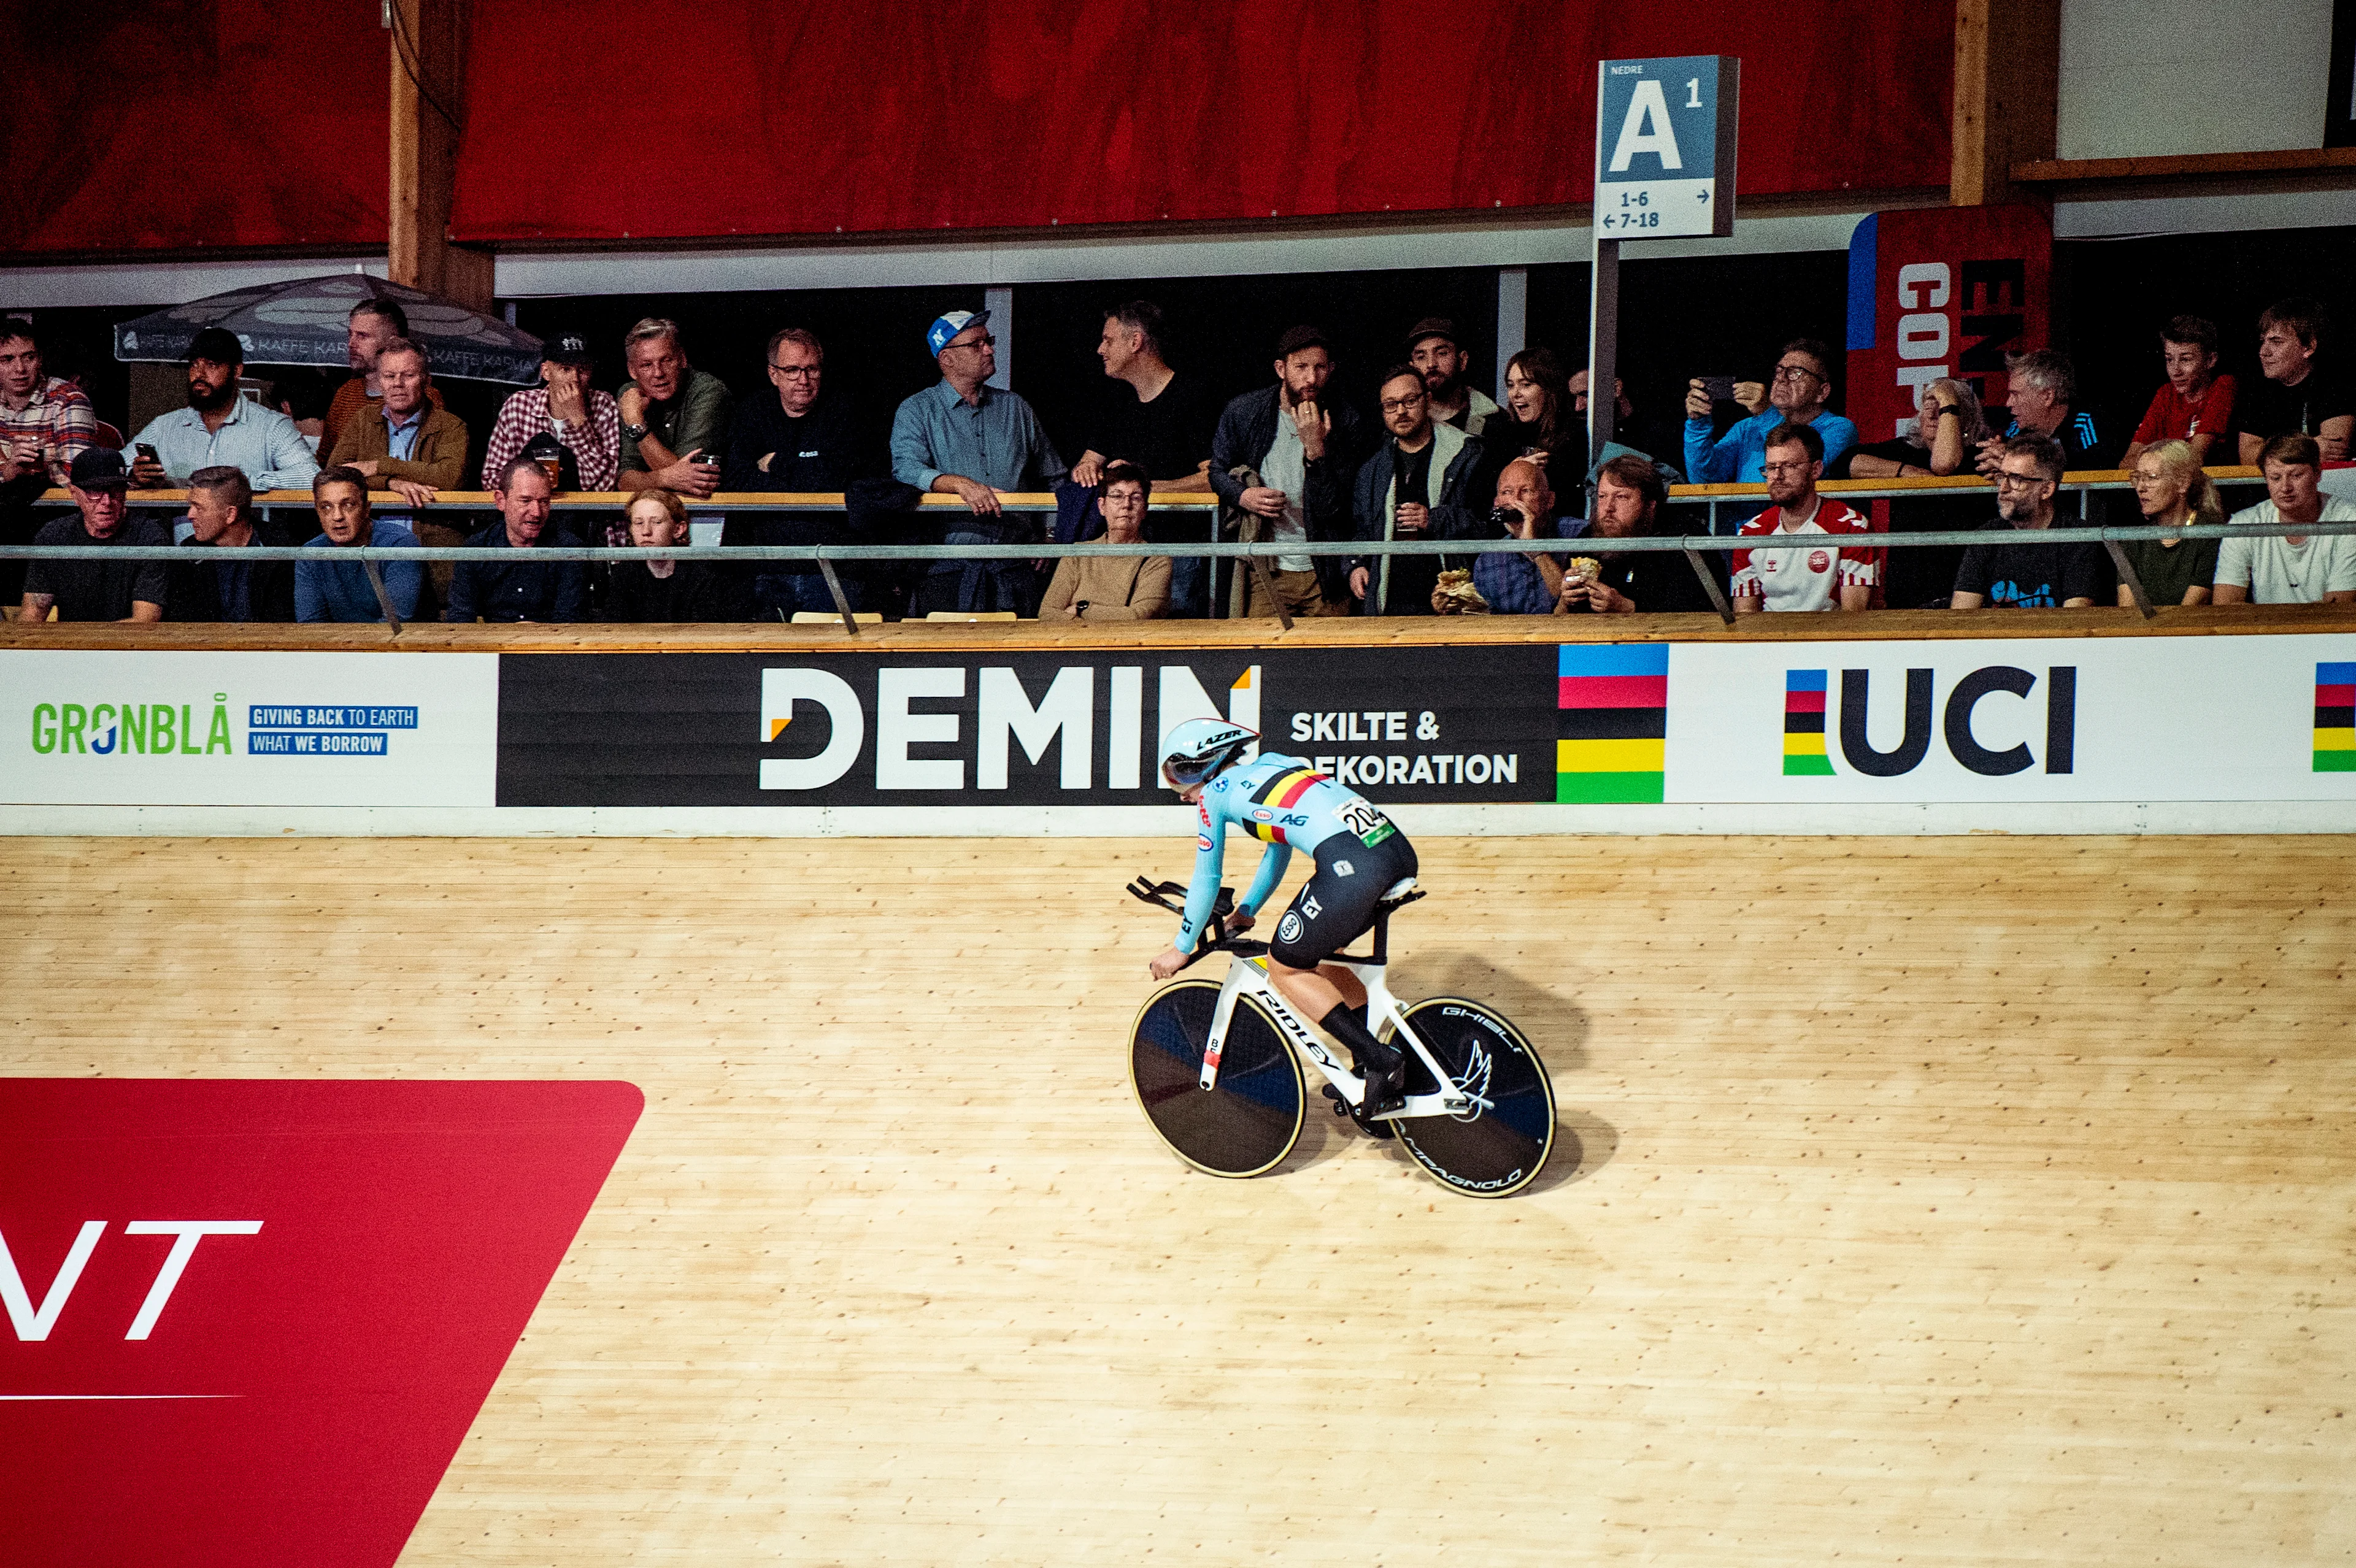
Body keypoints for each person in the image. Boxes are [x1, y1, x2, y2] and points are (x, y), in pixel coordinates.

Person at [1147, 718, 1418, 1122]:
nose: (1181, 793)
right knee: (1326, 960)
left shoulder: (1214, 796)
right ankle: (1369, 1059)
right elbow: (1279, 851)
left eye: (1180, 775)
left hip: (1356, 869)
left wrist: (1181, 948)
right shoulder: (1276, 762)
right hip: (1395, 851)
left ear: (1207, 762)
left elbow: (1208, 876)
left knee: (1285, 967)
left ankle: (1383, 1060)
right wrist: (1249, 910)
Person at [891, 309, 1068, 614]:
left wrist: (1050, 536)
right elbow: (906, 470)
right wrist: (961, 485)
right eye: (976, 345)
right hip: (946, 568)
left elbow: (1054, 477)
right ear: (947, 359)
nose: (988, 349)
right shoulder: (917, 410)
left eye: (989, 341)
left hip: (1015, 566)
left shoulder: (1016, 408)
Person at [1069, 302, 1217, 615]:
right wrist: (1090, 470)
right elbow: (1086, 464)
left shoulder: (1193, 397)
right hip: (1125, 553)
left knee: (1172, 642)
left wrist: (1145, 488)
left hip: (1179, 552)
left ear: (1135, 342)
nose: (1099, 349)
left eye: (1108, 340)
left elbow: (1213, 478)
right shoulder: (1119, 400)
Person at [1209, 325, 1366, 619]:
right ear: (1281, 369)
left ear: (1331, 369)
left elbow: (1337, 509)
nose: (1311, 378)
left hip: (1326, 569)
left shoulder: (1346, 420)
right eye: (1301, 367)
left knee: (1329, 660)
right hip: (1267, 566)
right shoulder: (1244, 412)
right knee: (1259, 654)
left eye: (1320, 368)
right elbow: (1217, 472)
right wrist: (1243, 496)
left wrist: (1316, 451)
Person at [722, 326, 871, 617]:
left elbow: (841, 479)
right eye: (792, 370)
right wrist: (809, 471)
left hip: (834, 569)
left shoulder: (845, 409)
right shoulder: (752, 411)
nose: (803, 380)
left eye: (812, 369)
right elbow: (737, 480)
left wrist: (776, 464)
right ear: (773, 374)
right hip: (766, 569)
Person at [1349, 364, 1484, 616]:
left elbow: (1489, 526)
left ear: (1428, 400)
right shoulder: (1373, 468)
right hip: (1389, 602)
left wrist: (1433, 519)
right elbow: (1361, 529)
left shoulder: (1467, 454)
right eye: (1391, 405)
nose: (1401, 411)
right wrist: (1357, 565)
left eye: (1410, 400)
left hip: (1451, 601)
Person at [125, 328, 318, 493]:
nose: (199, 374)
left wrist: (241, 484)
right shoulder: (164, 427)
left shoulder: (271, 426)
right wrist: (134, 476)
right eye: (194, 364)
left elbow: (310, 477)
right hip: (182, 536)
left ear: (237, 371)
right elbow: (115, 467)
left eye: (212, 365)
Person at [1728, 423, 1876, 615]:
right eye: (1771, 467)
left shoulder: (1852, 527)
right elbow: (1745, 617)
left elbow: (1854, 616)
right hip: (1769, 640)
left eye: (1789, 466)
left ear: (1816, 470)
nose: (1777, 476)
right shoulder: (1750, 533)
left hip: (1830, 640)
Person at [1951, 434, 2108, 610]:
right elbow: (1961, 616)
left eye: (2017, 479)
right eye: (2002, 477)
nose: (2003, 488)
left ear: (2047, 490)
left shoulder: (2078, 538)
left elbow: (2076, 619)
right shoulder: (1986, 537)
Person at [17, 448, 168, 625]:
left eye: (116, 490)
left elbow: (144, 621)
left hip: (129, 649)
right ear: (74, 494)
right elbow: (33, 612)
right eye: (95, 491)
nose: (107, 501)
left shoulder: (150, 537)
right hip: (72, 647)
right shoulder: (53, 536)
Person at [1557, 455, 1725, 615]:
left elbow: (1705, 611)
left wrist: (1628, 607)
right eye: (1602, 496)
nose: (1608, 507)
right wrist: (1566, 601)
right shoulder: (1588, 539)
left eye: (1621, 497)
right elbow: (1559, 619)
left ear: (1650, 505)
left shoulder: (1683, 539)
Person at [1684, 337, 1856, 482]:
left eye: (1796, 373)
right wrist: (1698, 424)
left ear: (1822, 391)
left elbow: (1796, 470)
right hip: (1750, 524)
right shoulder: (1747, 428)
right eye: (1779, 371)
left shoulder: (1839, 429)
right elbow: (1704, 479)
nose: (1781, 378)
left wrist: (1766, 413)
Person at [2212, 433, 2356, 606]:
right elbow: (2225, 603)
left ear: (2318, 474)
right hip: (2263, 631)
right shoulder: (2244, 523)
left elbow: (2340, 606)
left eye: (2296, 476)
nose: (2286, 487)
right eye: (2276, 478)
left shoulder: (2349, 521)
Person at [322, 337, 468, 507]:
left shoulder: (450, 426)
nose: (398, 384)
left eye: (409, 375)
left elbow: (450, 478)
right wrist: (390, 484)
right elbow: (335, 476)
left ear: (426, 381)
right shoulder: (364, 419)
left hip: (427, 528)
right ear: (380, 381)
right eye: (389, 376)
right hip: (373, 528)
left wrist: (378, 466)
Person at [445, 456, 587, 623]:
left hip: (551, 645)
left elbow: (569, 622)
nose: (537, 512)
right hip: (495, 645)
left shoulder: (569, 549)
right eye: (525, 501)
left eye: (544, 502)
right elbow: (460, 620)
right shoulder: (476, 549)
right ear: (501, 501)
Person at [482, 332, 620, 494]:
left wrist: (578, 420)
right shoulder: (518, 405)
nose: (575, 378)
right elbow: (490, 480)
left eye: (583, 370)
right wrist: (530, 478)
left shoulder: (603, 404)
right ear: (546, 372)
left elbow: (605, 487)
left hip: (581, 514)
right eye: (566, 369)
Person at [618, 318, 733, 501]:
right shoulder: (629, 396)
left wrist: (636, 424)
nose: (658, 373)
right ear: (632, 370)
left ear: (682, 359)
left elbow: (690, 479)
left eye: (667, 360)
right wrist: (665, 478)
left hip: (707, 510)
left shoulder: (709, 391)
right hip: (651, 514)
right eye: (647, 365)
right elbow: (625, 482)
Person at [1037, 463, 1171, 620]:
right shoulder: (1078, 553)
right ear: (1102, 506)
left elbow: (1137, 616)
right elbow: (1047, 613)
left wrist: (1082, 608)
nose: (1126, 505)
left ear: (1145, 510)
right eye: (1117, 496)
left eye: (1136, 498)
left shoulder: (1157, 559)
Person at [295, 466, 426, 623]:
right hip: (336, 645)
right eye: (327, 507)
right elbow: (311, 623)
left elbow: (395, 622)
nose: (337, 516)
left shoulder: (399, 544)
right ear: (317, 511)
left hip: (399, 645)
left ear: (366, 509)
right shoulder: (310, 553)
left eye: (348, 505)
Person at [1440, 458, 1569, 615]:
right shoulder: (1488, 560)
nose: (1515, 500)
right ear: (1497, 504)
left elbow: (1574, 601)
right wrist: (1451, 606)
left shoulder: (1578, 535)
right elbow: (1485, 618)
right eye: (1507, 492)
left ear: (1550, 500)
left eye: (1526, 491)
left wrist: (1535, 548)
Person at [601, 488, 753, 622]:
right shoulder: (624, 574)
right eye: (639, 523)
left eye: (657, 522)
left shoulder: (704, 575)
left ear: (678, 529)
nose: (646, 531)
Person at [169, 466, 297, 621]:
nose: (190, 515)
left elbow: (282, 620)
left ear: (230, 514)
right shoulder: (189, 552)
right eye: (191, 506)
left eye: (199, 508)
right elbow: (184, 621)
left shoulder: (279, 548)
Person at [2237, 298, 2354, 464]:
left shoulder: (2336, 383)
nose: (2264, 352)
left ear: (2309, 348)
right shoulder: (2257, 389)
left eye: (2277, 342)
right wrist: (2308, 448)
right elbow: (2248, 457)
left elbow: (2332, 457)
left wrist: (2269, 449)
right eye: (2263, 341)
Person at [323, 298, 445, 456]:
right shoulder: (346, 393)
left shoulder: (424, 397)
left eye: (363, 336)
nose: (351, 343)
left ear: (393, 342)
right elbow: (325, 459)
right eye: (350, 335)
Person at [2114, 439, 2223, 610]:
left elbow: (2191, 608)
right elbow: (2128, 609)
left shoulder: (2209, 533)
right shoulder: (2134, 539)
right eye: (2137, 478)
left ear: (2182, 483)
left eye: (2151, 478)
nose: (2141, 487)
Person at [1474, 348, 1584, 512]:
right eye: (1511, 386)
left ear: (1549, 389)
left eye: (1526, 385)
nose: (1516, 394)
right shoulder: (1501, 433)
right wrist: (1515, 469)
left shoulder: (1573, 434)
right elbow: (1478, 497)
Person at [2122, 315, 2235, 469]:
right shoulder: (2166, 393)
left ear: (2210, 361)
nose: (2175, 371)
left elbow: (2194, 456)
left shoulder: (2223, 385)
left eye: (2185, 360)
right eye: (2169, 360)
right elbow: (2128, 461)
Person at [0, 317, 97, 486]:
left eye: (29, 357)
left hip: (57, 510)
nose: (20, 368)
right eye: (7, 359)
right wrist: (9, 471)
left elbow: (79, 475)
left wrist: (28, 469)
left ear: (40, 359)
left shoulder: (68, 398)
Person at [1976, 348, 2100, 476]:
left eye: (2016, 394)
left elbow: (2092, 472)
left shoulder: (2085, 424)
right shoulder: (2017, 428)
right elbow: (1999, 459)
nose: (2009, 403)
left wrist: (2015, 461)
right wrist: (1993, 462)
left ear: (2048, 397)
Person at [1841, 377, 1988, 478]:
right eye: (1928, 406)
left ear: (1967, 421)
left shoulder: (1983, 454)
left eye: (1942, 409)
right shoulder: (1907, 450)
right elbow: (1845, 461)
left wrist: (1948, 398)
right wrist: (1905, 470)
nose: (1931, 415)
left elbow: (1944, 465)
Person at [1406, 317, 1499, 436]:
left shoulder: (1495, 422)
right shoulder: (1401, 424)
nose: (1431, 364)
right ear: (1412, 368)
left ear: (1462, 360)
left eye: (1442, 354)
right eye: (1421, 357)